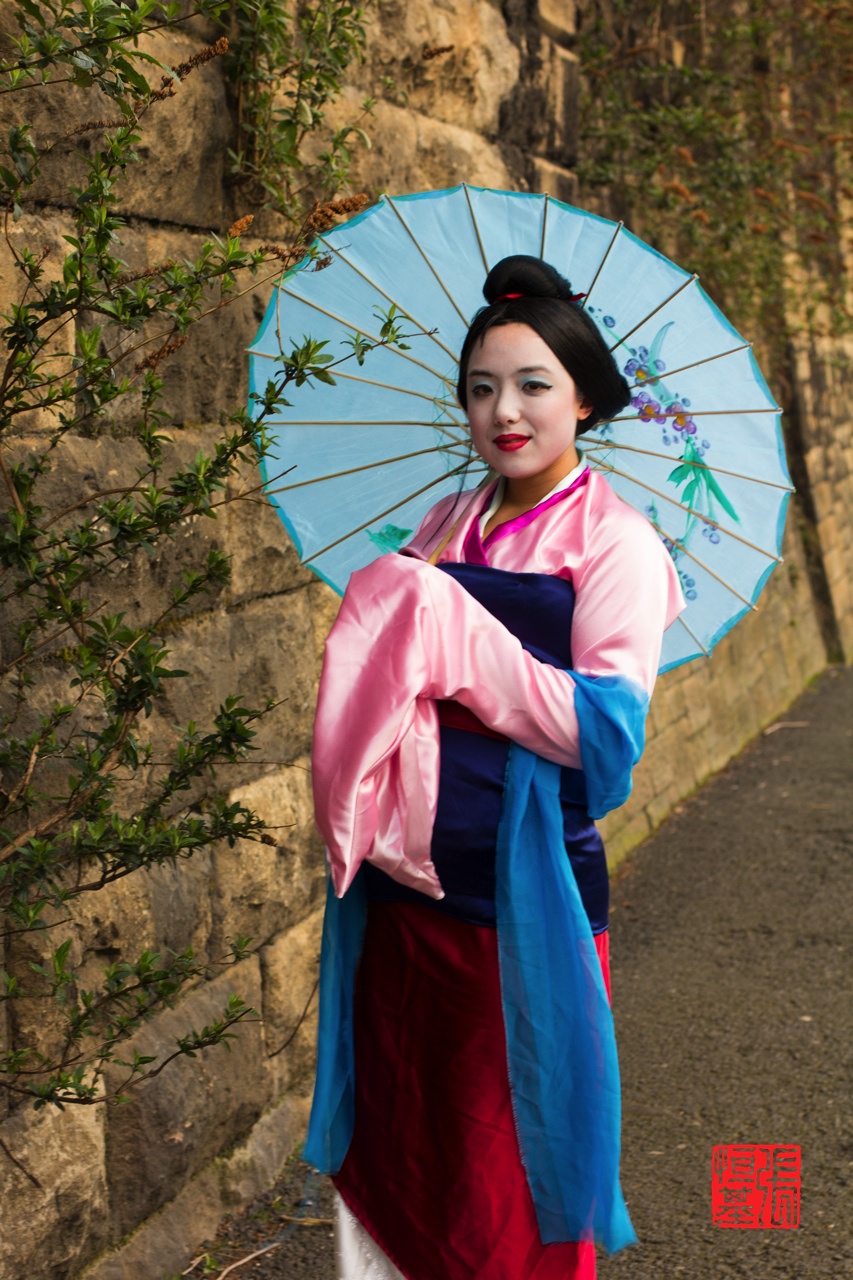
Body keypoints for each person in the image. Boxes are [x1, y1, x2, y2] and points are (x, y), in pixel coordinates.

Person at [305, 255, 685, 1280]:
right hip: (405, 880)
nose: (503, 412)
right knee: (406, 1122)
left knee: (509, 1144)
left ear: (584, 398)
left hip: (522, 894)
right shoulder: (446, 522)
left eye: (531, 385)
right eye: (481, 388)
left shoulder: (618, 546)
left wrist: (465, 648)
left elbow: (604, 742)